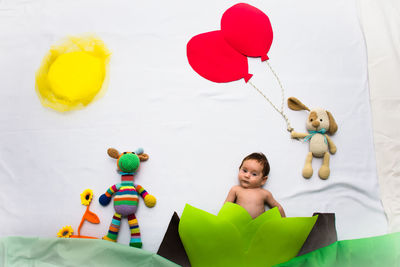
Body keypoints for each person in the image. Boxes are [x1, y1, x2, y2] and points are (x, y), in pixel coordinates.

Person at [224, 152, 286, 219]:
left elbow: (278, 207)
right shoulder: (236, 189)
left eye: (254, 174)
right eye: (244, 171)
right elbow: (226, 206)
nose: (247, 176)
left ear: (263, 180)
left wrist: (284, 221)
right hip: (238, 224)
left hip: (259, 226)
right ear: (239, 169)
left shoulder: (265, 193)